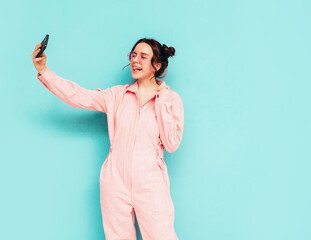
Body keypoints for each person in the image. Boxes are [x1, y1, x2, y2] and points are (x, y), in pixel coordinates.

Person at [31, 37, 184, 240]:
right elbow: (79, 96)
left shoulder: (171, 99)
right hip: (115, 181)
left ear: (156, 65)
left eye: (143, 57)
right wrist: (44, 71)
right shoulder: (117, 96)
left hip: (150, 183)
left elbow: (172, 143)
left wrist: (162, 98)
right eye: (133, 55)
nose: (135, 60)